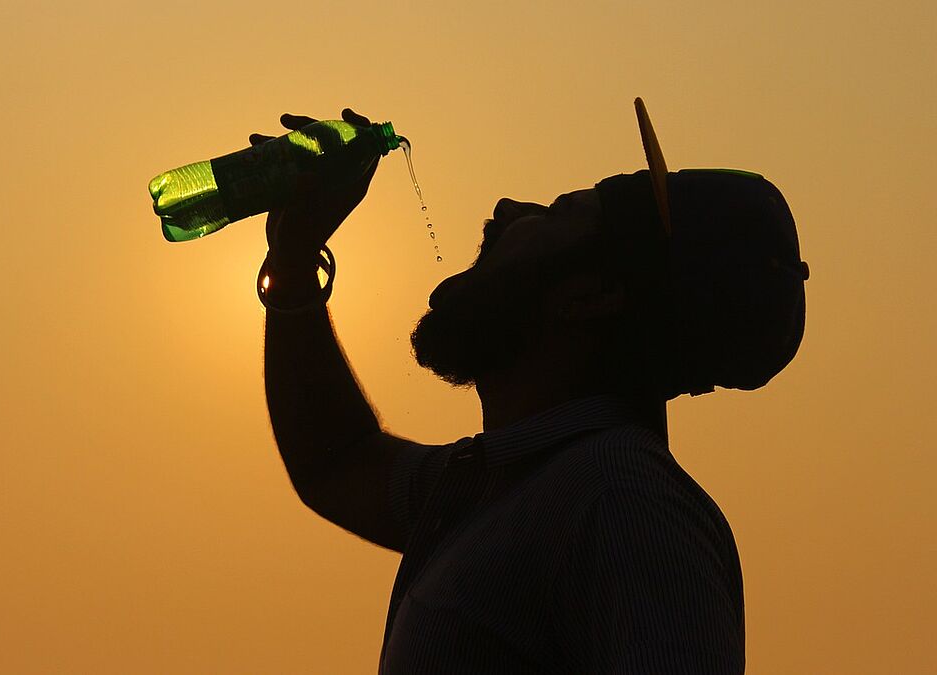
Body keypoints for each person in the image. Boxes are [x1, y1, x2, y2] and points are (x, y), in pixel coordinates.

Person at [253, 102, 808, 674]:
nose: (508, 210)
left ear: (590, 296)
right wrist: (293, 259)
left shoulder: (625, 507)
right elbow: (338, 463)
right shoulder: (509, 484)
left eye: (558, 213)